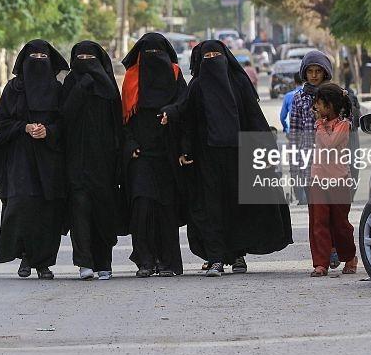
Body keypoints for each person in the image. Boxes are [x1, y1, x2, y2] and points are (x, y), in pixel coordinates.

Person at [162, 40, 293, 278]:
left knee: (238, 207)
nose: (212, 59)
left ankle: (238, 255)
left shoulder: (239, 83)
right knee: (211, 208)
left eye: (216, 54)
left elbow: (253, 117)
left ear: (225, 56)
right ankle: (215, 259)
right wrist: (184, 147)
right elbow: (186, 116)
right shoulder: (198, 85)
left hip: (239, 155)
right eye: (207, 55)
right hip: (207, 157)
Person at [0, 40, 69, 280]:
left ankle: (43, 262)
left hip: (49, 157)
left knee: (47, 208)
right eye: (32, 56)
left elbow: (66, 122)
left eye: (42, 56)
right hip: (20, 156)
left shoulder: (57, 89)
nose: (37, 61)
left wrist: (49, 131)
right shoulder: (14, 89)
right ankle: (24, 256)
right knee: (22, 205)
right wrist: (24, 127)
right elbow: (1, 121)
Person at [120, 32, 188, 278]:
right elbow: (123, 119)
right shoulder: (131, 78)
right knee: (142, 206)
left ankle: (167, 261)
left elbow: (185, 104)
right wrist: (130, 144)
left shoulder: (175, 74)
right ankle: (145, 261)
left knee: (166, 209)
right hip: (141, 155)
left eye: (157, 54)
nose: (153, 59)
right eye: (147, 54)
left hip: (168, 153)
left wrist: (172, 111)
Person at [61, 41, 122, 280]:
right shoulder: (71, 82)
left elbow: (117, 122)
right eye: (80, 57)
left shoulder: (108, 86)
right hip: (76, 160)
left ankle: (104, 263)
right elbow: (65, 114)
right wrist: (81, 87)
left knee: (103, 212)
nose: (85, 62)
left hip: (104, 162)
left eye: (90, 57)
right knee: (80, 210)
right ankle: (84, 262)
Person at [287, 50, 361, 205]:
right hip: (309, 164)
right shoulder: (299, 98)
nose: (314, 75)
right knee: (316, 212)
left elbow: (349, 124)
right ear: (304, 73)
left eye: (318, 71)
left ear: (325, 72)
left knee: (336, 210)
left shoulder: (336, 95)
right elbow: (294, 134)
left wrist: (344, 100)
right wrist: (294, 165)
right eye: (310, 71)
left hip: (335, 163)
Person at [308, 82, 358, 277]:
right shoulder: (319, 124)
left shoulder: (344, 125)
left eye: (320, 104)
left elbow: (329, 143)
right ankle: (321, 263)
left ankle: (349, 257)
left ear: (331, 105)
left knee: (340, 224)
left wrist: (320, 124)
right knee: (318, 222)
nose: (316, 108)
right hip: (318, 179)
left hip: (339, 180)